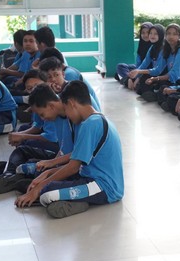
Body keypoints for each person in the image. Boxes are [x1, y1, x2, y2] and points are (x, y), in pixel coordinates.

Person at [13, 80, 123, 219]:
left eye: (66, 109)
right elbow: (76, 163)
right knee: (48, 186)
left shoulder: (90, 124)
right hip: (87, 176)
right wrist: (47, 174)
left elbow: (72, 167)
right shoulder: (93, 121)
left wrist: (39, 188)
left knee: (46, 193)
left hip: (105, 187)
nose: (67, 116)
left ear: (71, 103)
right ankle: (69, 197)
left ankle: (80, 201)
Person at [0, 84, 74, 196]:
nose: (42, 118)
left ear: (51, 106)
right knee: (26, 154)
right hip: (63, 159)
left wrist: (51, 165)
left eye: (42, 114)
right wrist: (51, 164)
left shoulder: (74, 118)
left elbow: (76, 158)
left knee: (34, 167)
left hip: (71, 163)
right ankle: (11, 174)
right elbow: (64, 148)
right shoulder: (58, 115)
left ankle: (17, 171)